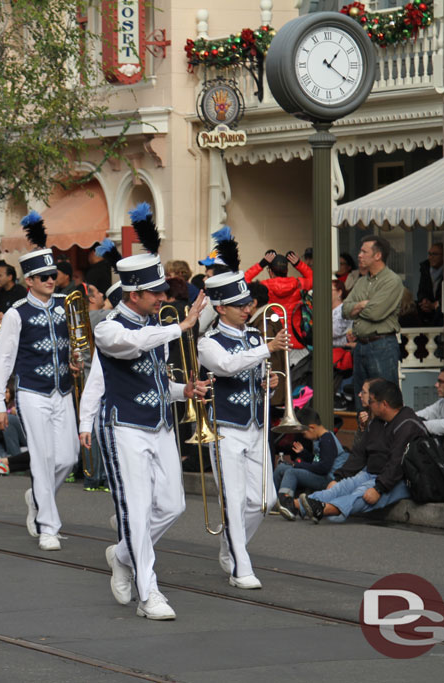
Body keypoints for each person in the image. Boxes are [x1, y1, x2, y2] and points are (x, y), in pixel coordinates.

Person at [85, 202, 208, 620]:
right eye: (156, 294)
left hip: (159, 425)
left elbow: (156, 379)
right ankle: (148, 593)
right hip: (123, 428)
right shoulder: (108, 326)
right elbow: (131, 345)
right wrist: (181, 327)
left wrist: (184, 389)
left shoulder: (153, 326)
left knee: (173, 505)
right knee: (136, 511)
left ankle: (122, 555)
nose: (163, 299)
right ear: (134, 294)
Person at [196, 234, 289, 590]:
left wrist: (270, 383)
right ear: (220, 308)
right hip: (224, 429)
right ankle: (240, 566)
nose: (247, 308)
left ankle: (231, 546)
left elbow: (256, 371)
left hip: (255, 426)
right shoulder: (208, 342)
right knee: (233, 501)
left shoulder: (252, 336)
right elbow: (228, 366)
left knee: (264, 501)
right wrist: (266, 349)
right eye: (239, 305)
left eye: (248, 302)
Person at [0, 212, 79, 551]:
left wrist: (74, 358)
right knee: (41, 458)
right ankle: (48, 526)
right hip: (32, 392)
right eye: (42, 276)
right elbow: (4, 359)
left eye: (52, 275)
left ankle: (38, 498)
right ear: (29, 280)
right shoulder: (16, 313)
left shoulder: (66, 306)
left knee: (67, 459)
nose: (50, 280)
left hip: (62, 391)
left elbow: (74, 344)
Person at [300, 379, 421, 523]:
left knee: (362, 493)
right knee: (340, 487)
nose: (368, 404)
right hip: (372, 473)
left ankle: (323, 509)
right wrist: (339, 478)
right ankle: (296, 505)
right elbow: (359, 454)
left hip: (398, 480)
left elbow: (397, 463)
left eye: (371, 401)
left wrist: (379, 488)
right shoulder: (377, 422)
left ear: (384, 404)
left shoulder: (408, 425)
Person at [341, 236, 404, 408]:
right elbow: (345, 310)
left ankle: (388, 435)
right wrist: (362, 304)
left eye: (364, 251)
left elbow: (376, 312)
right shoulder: (362, 281)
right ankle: (365, 435)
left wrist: (358, 308)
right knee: (362, 401)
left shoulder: (392, 280)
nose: (359, 255)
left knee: (385, 401)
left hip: (382, 345)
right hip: (361, 346)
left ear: (377, 256)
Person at [273, 407, 347, 522]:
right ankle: (273, 500)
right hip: (320, 474)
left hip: (328, 479)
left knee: (292, 472)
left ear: (311, 427)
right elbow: (317, 460)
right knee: (282, 467)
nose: (303, 436)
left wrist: (300, 465)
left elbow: (324, 467)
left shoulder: (327, 440)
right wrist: (304, 453)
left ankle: (287, 504)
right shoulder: (320, 439)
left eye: (304, 432)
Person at [244, 249, 312, 352]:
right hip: (295, 342)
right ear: (287, 271)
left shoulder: (264, 286)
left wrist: (262, 263)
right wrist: (298, 264)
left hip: (273, 341)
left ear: (270, 272)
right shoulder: (299, 284)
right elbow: (314, 278)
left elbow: (243, 281)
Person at [415, 369, 444, 436]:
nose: (436, 385)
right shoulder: (443, 402)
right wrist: (407, 419)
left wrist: (415, 425)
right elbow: (427, 413)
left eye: (441, 382)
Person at [417, 242, 444, 325]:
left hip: (442, 312)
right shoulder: (425, 268)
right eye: (429, 254)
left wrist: (436, 304)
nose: (430, 257)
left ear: (443, 255)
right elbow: (421, 290)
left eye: (434, 254)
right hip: (427, 310)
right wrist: (424, 300)